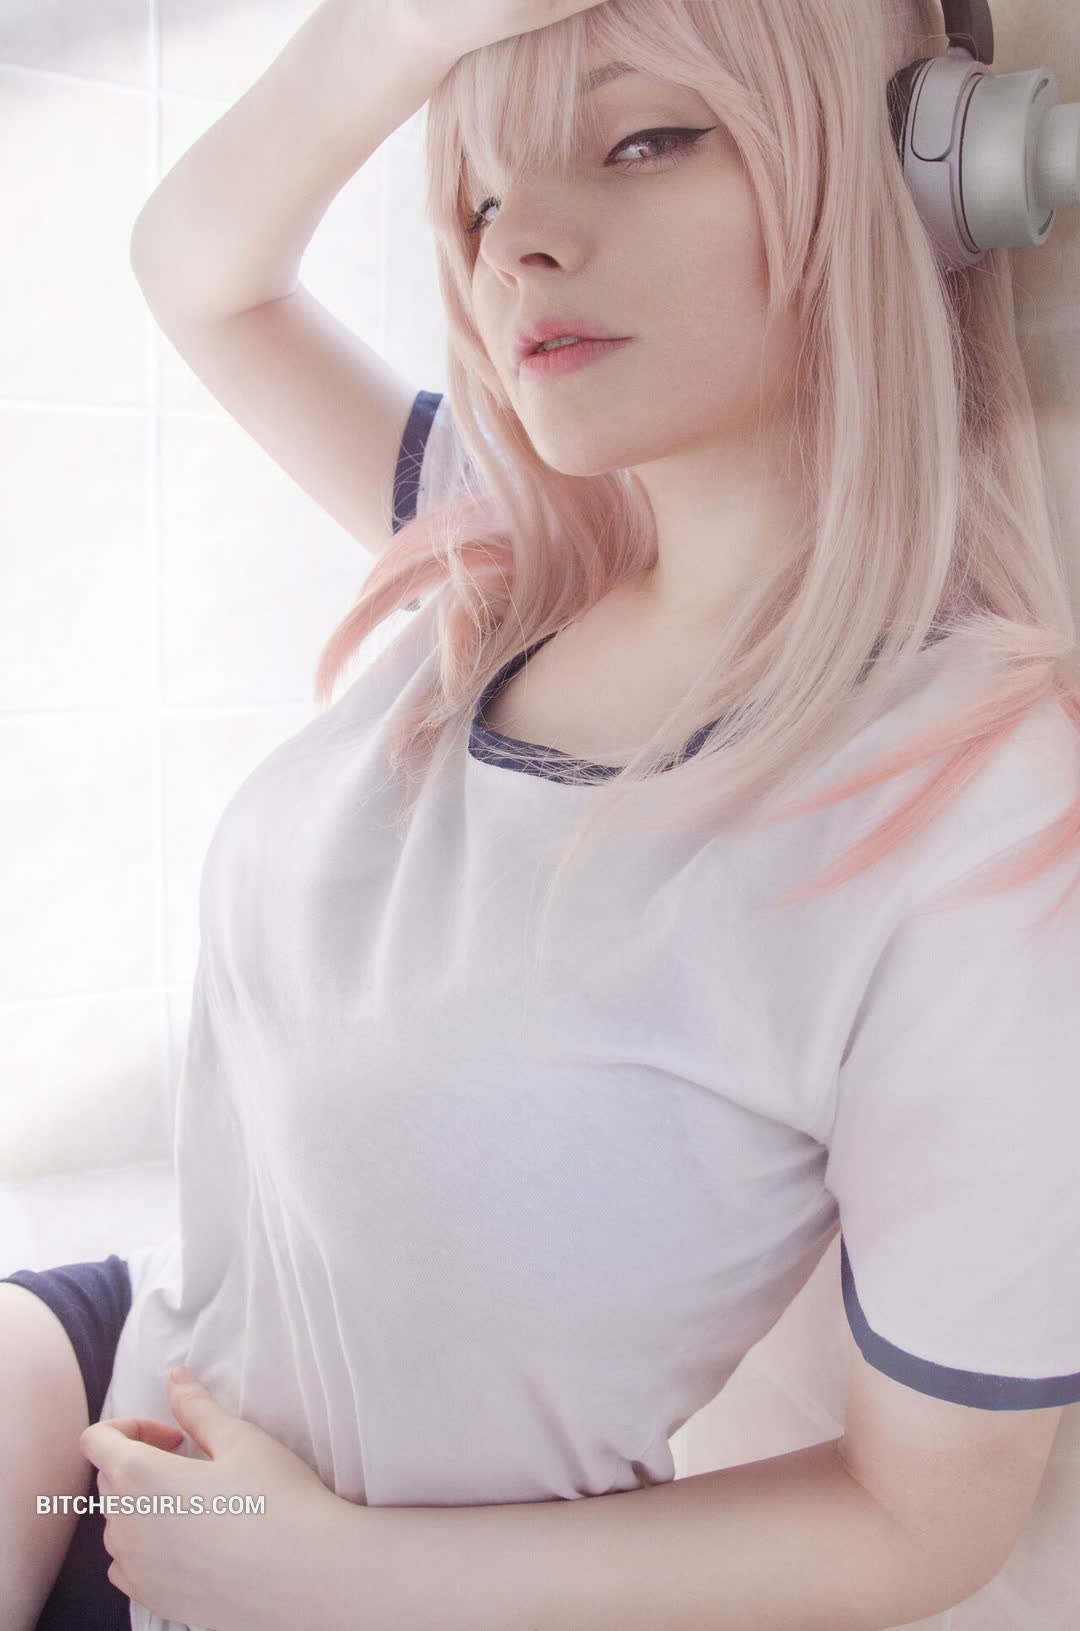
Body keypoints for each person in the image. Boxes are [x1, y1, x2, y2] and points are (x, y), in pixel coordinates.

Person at [4, 0, 1080, 1626]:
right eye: (481, 194)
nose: (517, 247)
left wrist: (330, 1575)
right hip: (108, 1386)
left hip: (324, 1576)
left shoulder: (964, 804)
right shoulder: (505, 553)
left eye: (646, 140)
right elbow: (198, 268)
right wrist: (401, 32)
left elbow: (926, 1518)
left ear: (918, 175)